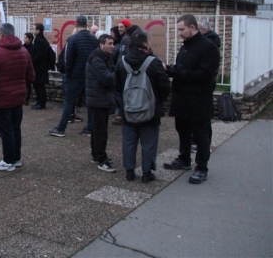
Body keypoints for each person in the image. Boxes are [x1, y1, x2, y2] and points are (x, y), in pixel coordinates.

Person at [164, 14, 220, 185]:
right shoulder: (186, 46)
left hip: (198, 99)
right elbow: (182, 67)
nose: (179, 33)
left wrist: (177, 73)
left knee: (200, 135)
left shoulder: (208, 47)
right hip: (181, 97)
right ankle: (184, 159)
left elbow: (205, 74)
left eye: (182, 29)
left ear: (193, 28)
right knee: (182, 129)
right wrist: (169, 69)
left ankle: (201, 168)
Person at [115, 30, 171, 183]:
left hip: (128, 110)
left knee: (128, 141)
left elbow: (117, 86)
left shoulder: (122, 62)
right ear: (145, 43)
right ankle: (147, 172)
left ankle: (129, 171)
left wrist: (124, 104)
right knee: (149, 143)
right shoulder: (153, 62)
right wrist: (157, 101)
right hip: (150, 111)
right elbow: (165, 87)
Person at [0, 23, 35, 171]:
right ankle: (16, 158)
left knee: (6, 130)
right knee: (15, 128)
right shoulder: (24, 51)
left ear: (1, 35)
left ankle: (8, 160)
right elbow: (31, 76)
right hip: (18, 96)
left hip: (0, 99)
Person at [49, 16, 97, 137]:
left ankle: (61, 128)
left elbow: (68, 58)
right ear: (87, 24)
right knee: (89, 102)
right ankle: (91, 127)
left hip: (75, 75)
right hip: (89, 74)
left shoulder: (73, 39)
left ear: (76, 24)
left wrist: (67, 72)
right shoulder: (94, 39)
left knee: (69, 101)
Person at [85, 34, 117, 172]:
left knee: (98, 128)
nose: (112, 46)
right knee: (100, 131)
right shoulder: (97, 58)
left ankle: (96, 154)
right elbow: (107, 79)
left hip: (100, 97)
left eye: (113, 43)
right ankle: (101, 159)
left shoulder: (104, 57)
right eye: (109, 43)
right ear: (101, 44)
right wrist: (118, 74)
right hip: (98, 98)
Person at [30, 23, 50, 110]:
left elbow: (39, 55)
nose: (33, 30)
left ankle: (41, 102)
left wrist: (31, 61)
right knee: (38, 85)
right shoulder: (40, 39)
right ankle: (40, 101)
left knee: (39, 85)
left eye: (34, 29)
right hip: (40, 67)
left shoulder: (39, 41)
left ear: (38, 30)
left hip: (39, 67)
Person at [22, 32, 34, 105]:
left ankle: (27, 98)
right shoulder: (23, 47)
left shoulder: (32, 47)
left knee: (28, 84)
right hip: (23, 66)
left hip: (28, 67)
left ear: (30, 39)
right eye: (24, 37)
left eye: (26, 38)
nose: (24, 39)